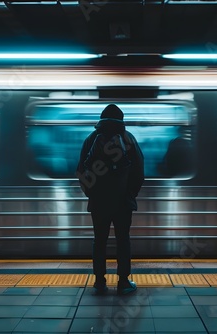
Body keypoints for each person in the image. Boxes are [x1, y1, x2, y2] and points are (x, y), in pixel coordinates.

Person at [76, 104, 144, 295]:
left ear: (101, 120)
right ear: (121, 121)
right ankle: (123, 281)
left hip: (98, 202)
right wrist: (130, 195)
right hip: (123, 202)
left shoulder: (91, 140)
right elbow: (139, 171)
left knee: (100, 241)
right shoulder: (128, 139)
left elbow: (81, 171)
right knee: (123, 240)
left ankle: (99, 281)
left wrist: (92, 194)